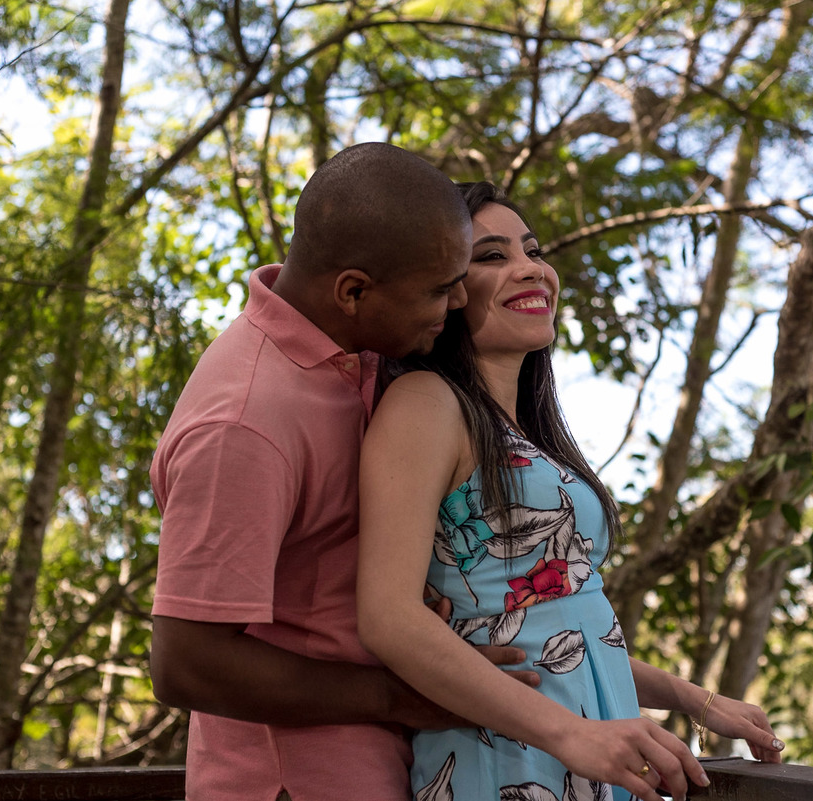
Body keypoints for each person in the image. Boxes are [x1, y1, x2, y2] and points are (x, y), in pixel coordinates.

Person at [356, 182, 785, 801]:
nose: (532, 268)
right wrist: (571, 734)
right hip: (506, 756)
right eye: (493, 255)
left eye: (532, 250)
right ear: (446, 289)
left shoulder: (523, 432)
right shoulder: (425, 402)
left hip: (590, 745)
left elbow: (563, 635)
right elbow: (388, 618)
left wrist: (697, 701)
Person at [148, 145, 537, 801]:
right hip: (295, 782)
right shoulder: (245, 423)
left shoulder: (352, 351)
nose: (458, 299)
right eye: (439, 288)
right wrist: (403, 695)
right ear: (353, 291)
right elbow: (186, 662)